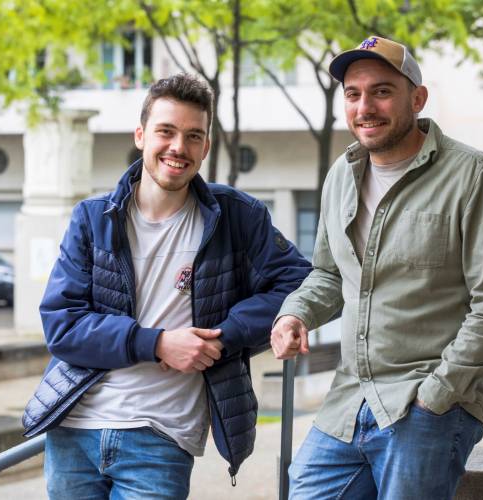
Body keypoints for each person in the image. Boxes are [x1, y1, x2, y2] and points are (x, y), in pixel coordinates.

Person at [22, 73, 311, 499]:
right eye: (166, 131)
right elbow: (62, 326)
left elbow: (299, 281)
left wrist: (223, 337)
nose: (179, 147)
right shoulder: (93, 218)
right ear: (141, 136)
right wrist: (156, 344)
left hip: (160, 437)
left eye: (194, 136)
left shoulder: (236, 216)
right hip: (74, 433)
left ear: (206, 146)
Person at [270, 36, 483, 500]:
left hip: (427, 404)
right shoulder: (340, 176)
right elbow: (329, 274)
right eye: (353, 94)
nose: (365, 106)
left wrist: (437, 395)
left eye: (382, 91)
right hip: (349, 399)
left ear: (418, 97)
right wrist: (296, 313)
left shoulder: (472, 176)